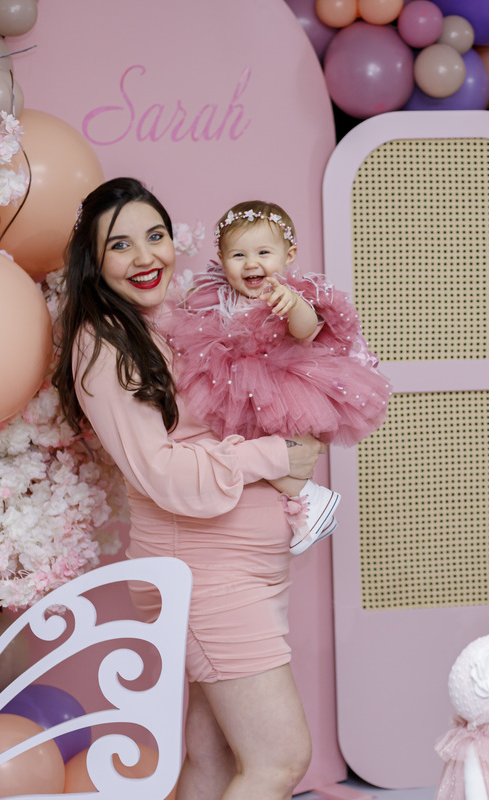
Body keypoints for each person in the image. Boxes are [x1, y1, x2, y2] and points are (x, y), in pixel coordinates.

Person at [51, 178, 321, 800]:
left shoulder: (177, 319)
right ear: (94, 262)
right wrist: (274, 455)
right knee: (280, 759)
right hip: (204, 572)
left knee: (212, 756)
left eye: (156, 236)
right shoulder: (103, 344)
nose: (145, 257)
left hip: (242, 566)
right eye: (120, 245)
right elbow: (161, 472)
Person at [167, 200, 390, 554]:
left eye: (263, 252)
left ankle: (306, 499)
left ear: (289, 255)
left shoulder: (289, 294)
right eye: (238, 255)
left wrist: (295, 305)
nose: (251, 263)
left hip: (278, 381)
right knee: (248, 447)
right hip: (233, 384)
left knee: (275, 449)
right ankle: (306, 501)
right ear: (222, 260)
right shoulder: (216, 294)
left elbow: (305, 330)